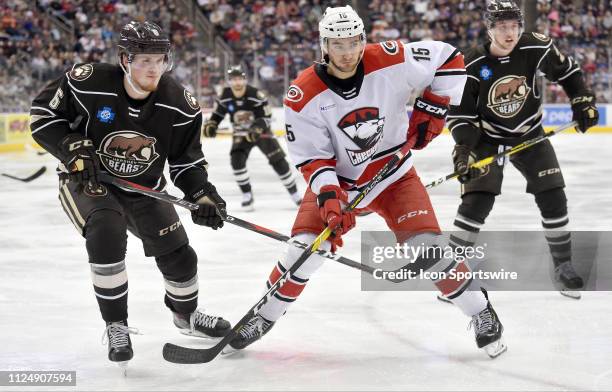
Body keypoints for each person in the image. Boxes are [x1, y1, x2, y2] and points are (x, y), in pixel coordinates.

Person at [226, 5, 507, 358]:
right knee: (306, 250)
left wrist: (434, 107)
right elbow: (313, 159)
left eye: (353, 42)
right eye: (337, 44)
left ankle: (480, 311)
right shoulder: (302, 94)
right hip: (341, 184)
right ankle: (264, 315)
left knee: (429, 250)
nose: (347, 52)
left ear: (363, 40)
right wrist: (330, 199)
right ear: (324, 45)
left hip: (394, 177)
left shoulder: (390, 58)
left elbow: (449, 58)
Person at [29, 21, 231, 366]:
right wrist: (70, 146)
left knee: (181, 257)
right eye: (143, 61)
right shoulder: (87, 81)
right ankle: (116, 325)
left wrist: (203, 195)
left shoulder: (180, 106)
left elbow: (186, 163)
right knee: (106, 230)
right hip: (89, 181)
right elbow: (44, 115)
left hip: (144, 189)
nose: (152, 69)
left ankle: (187, 316)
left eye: (159, 60)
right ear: (124, 59)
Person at [445, 0, 599, 300]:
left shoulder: (535, 47)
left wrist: (581, 99)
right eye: (502, 26)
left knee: (553, 195)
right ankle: (452, 272)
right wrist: (465, 149)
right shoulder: (471, 64)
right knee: (477, 202)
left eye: (514, 25)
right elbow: (461, 116)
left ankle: (563, 266)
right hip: (488, 136)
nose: (509, 32)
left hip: (529, 133)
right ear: (489, 28)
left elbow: (567, 71)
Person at [203, 66, 302, 211]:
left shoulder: (255, 94)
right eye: (233, 79)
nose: (237, 82)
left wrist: (256, 128)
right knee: (236, 161)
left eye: (239, 79)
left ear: (244, 80)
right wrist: (212, 124)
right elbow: (218, 114)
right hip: (241, 135)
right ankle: (247, 194)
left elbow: (267, 116)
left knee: (279, 162)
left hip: (261, 133)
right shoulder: (225, 95)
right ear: (229, 81)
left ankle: (295, 194)